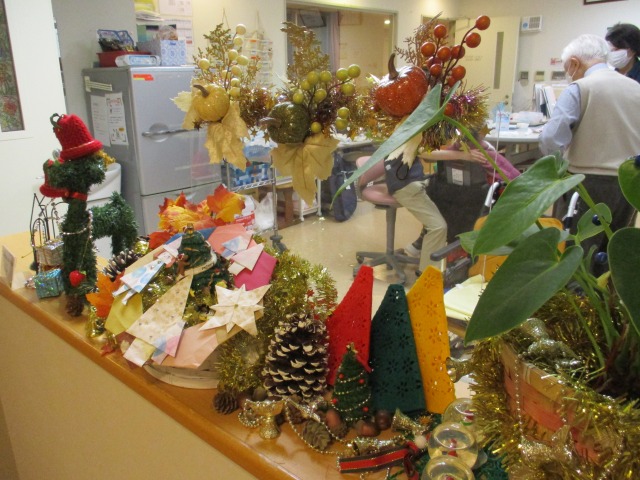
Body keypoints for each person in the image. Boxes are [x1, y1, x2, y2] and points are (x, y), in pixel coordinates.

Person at [539, 34, 640, 272]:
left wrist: (557, 167)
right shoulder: (635, 87)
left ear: (574, 63)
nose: (568, 73)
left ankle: (579, 296)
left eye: (567, 68)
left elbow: (551, 138)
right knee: (614, 251)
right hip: (630, 181)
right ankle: (606, 294)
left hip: (588, 182)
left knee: (579, 252)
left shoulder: (581, 88)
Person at [403, 129, 521, 258]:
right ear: (481, 136)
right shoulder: (487, 155)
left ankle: (424, 237)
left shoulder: (449, 153)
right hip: (475, 203)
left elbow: (429, 158)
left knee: (434, 186)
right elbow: (515, 179)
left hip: (450, 202)